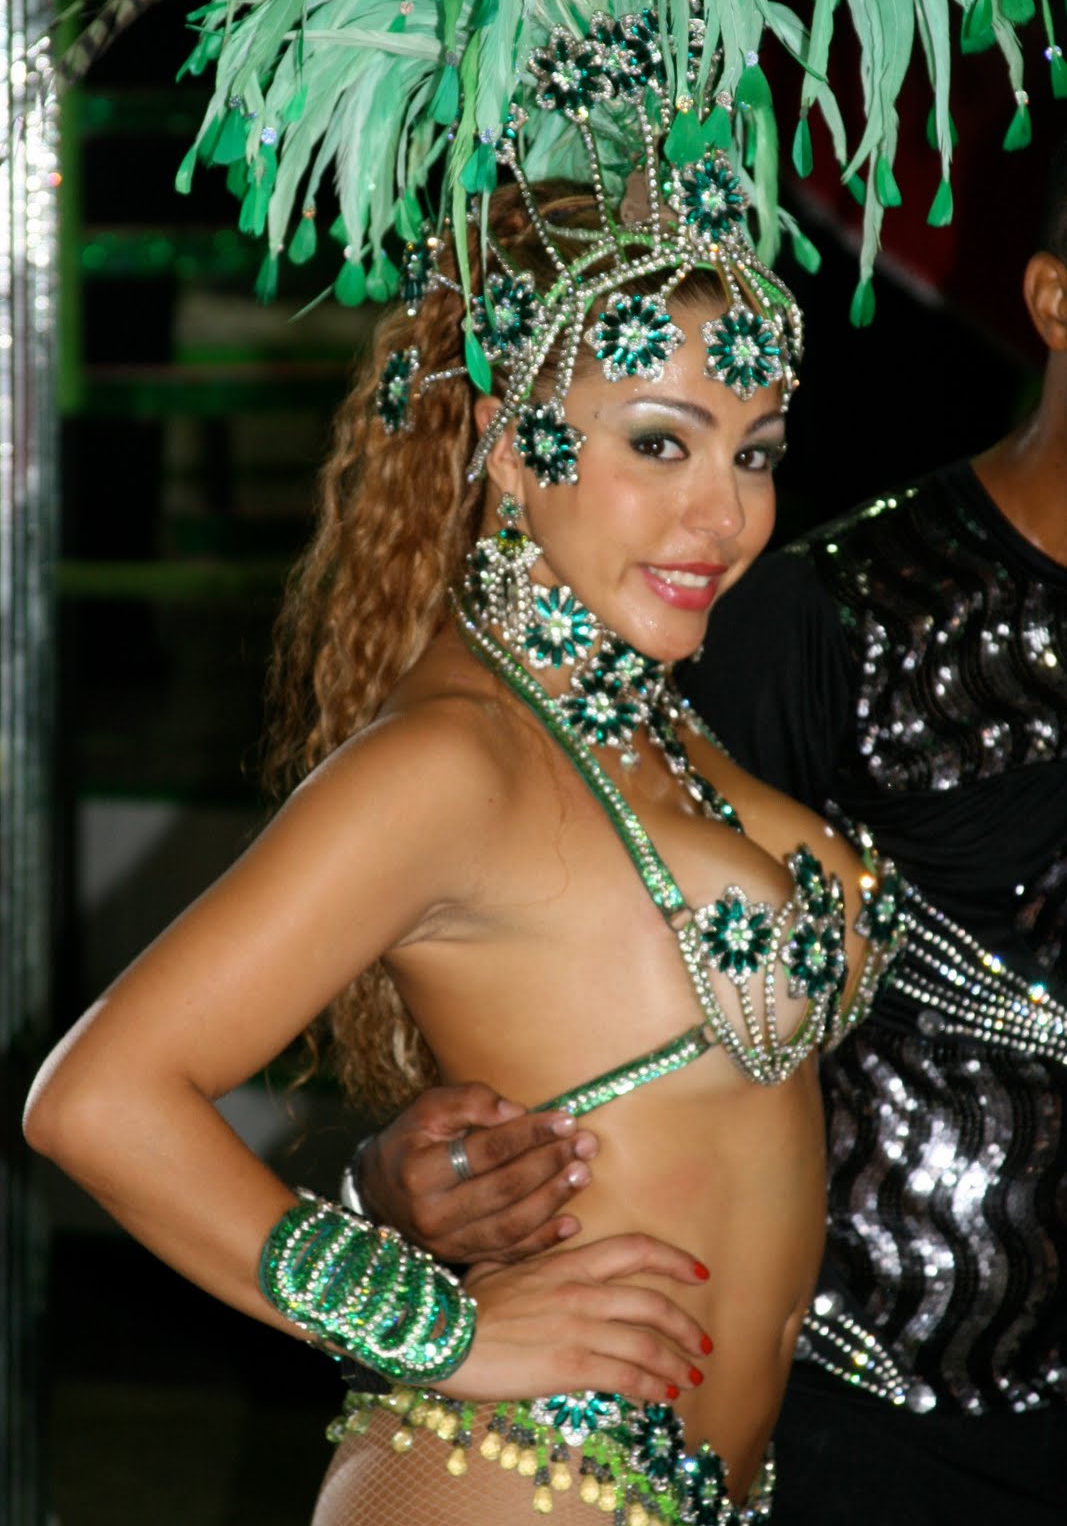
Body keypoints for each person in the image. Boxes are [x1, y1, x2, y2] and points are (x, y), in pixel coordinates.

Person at [358, 151, 1067, 1525]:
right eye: (666, 443)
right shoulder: (824, 619)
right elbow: (531, 950)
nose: (719, 505)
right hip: (845, 1437)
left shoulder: (665, 674)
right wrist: (397, 1198)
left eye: (751, 454)